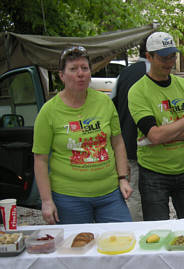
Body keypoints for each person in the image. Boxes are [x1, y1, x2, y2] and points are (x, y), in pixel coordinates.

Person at [32, 46, 133, 224]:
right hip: (69, 198)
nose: (80, 74)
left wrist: (122, 178)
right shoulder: (48, 111)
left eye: (84, 68)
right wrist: (47, 201)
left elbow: (117, 143)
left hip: (109, 194)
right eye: (73, 69)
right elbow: (40, 159)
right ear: (61, 75)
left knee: (123, 241)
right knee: (76, 248)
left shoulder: (104, 102)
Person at [127, 32, 184, 221]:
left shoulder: (183, 85)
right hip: (154, 173)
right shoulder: (138, 91)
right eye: (163, 58)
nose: (170, 62)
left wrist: (164, 135)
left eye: (173, 56)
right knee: (158, 231)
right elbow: (154, 135)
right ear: (149, 57)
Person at [112, 40, 149, 221]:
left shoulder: (123, 75)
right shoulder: (158, 73)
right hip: (155, 147)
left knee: (134, 195)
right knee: (155, 196)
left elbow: (113, 108)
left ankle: (137, 233)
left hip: (129, 145)